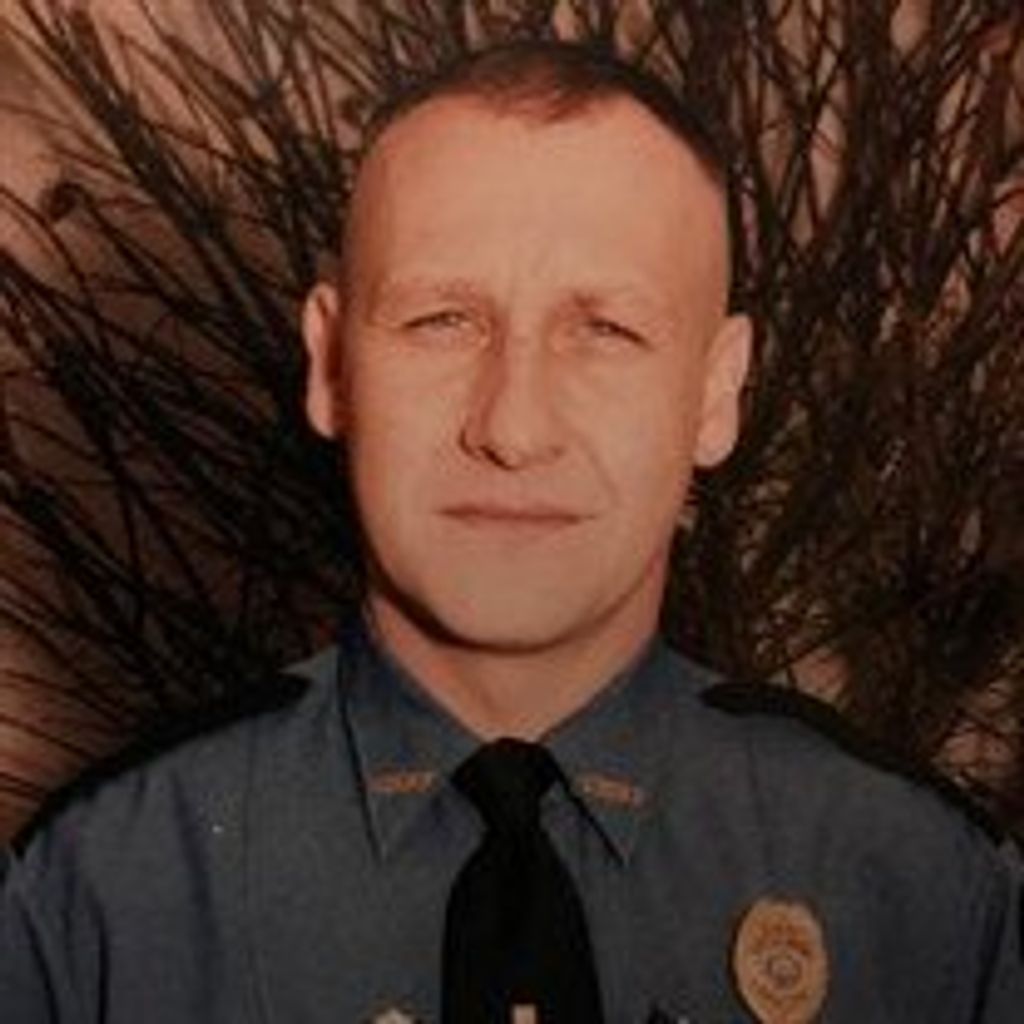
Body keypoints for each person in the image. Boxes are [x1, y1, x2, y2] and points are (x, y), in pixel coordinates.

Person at [2, 39, 1022, 1024]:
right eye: (441, 321)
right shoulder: (91, 900)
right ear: (331, 366)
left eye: (606, 330)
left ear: (716, 392)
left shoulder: (929, 894)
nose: (513, 428)